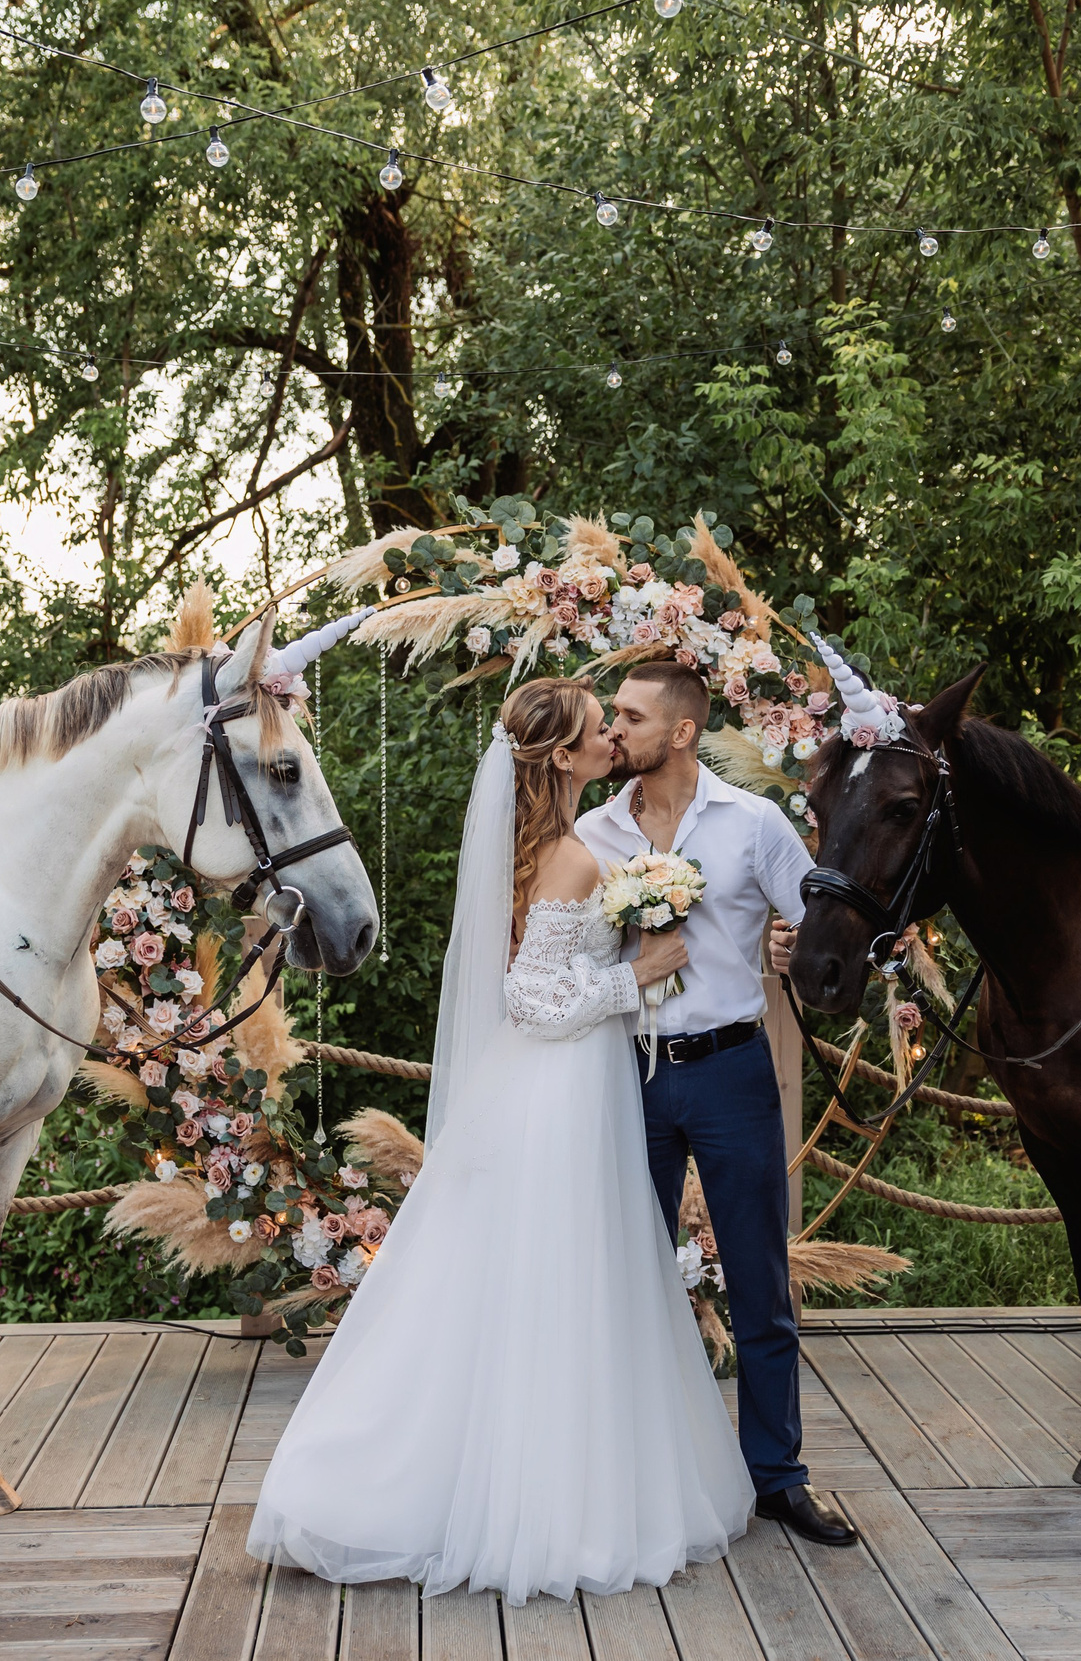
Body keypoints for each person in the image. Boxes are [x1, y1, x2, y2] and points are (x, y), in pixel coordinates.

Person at [246, 677, 754, 1605]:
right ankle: (546, 1505)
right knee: (560, 1283)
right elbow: (531, 1000)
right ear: (561, 757)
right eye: (601, 730)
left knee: (520, 1284)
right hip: (560, 1090)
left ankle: (521, 1475)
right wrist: (636, 976)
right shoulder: (568, 857)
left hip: (552, 1087)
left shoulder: (553, 848)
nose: (612, 738)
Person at [576, 661, 854, 1547]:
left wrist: (789, 944)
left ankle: (777, 1476)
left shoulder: (754, 823)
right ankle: (633, 1471)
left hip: (734, 1070)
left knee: (760, 1281)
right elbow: (566, 959)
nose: (614, 729)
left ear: (683, 731)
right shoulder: (594, 831)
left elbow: (820, 923)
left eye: (631, 715)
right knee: (630, 1281)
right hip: (630, 1072)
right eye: (612, 715)